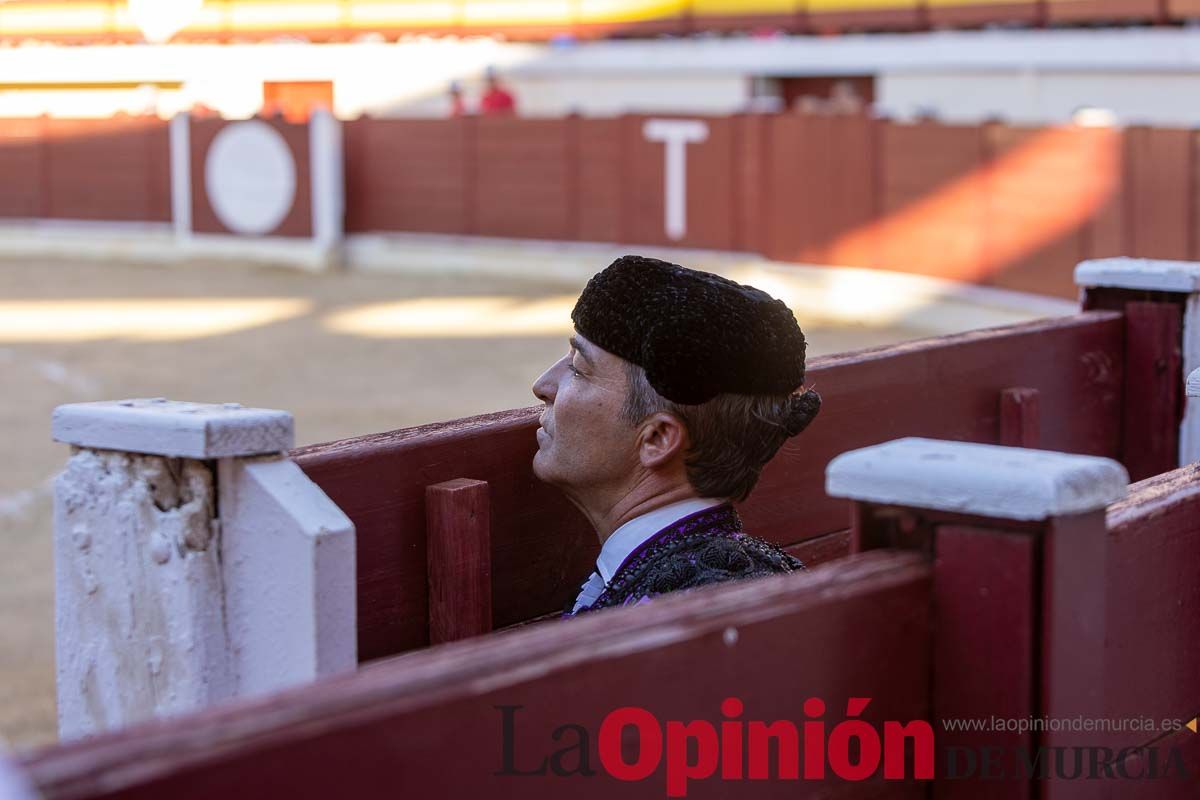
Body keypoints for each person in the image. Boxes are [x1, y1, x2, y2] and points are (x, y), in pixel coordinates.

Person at [531, 255, 822, 616]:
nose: (542, 385)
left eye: (578, 369)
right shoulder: (712, 575)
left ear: (657, 439)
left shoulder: (667, 613)